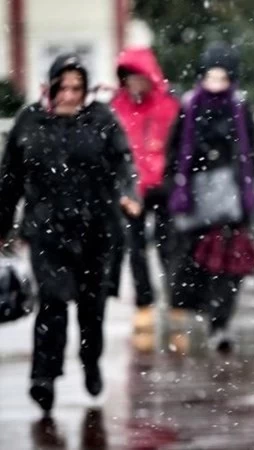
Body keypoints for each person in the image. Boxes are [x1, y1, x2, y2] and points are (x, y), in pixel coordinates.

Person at [0, 54, 141, 413]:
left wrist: (128, 194)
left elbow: (124, 163)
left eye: (76, 89)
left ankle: (90, 361)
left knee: (91, 310)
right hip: (47, 231)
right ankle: (43, 378)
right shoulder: (29, 121)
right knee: (52, 302)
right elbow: (10, 179)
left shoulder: (101, 119)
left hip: (97, 230)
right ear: (49, 87)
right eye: (62, 88)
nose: (69, 95)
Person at [165, 42, 254, 354]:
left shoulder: (239, 106)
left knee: (228, 266)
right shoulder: (189, 105)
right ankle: (201, 313)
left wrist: (244, 186)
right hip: (193, 199)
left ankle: (220, 323)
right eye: (211, 77)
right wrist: (178, 186)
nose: (216, 84)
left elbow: (252, 150)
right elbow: (174, 151)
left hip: (231, 201)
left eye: (222, 78)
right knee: (192, 263)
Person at [111, 47, 180, 350]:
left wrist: (169, 178)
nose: (134, 84)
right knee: (135, 249)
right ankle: (145, 303)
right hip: (132, 190)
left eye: (138, 77)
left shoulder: (168, 104)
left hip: (162, 187)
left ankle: (175, 299)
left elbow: (178, 147)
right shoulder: (117, 107)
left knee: (169, 248)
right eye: (129, 78)